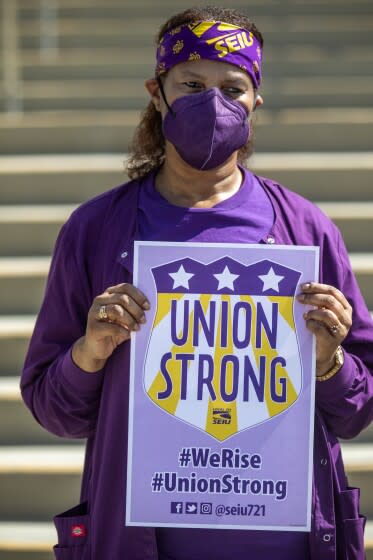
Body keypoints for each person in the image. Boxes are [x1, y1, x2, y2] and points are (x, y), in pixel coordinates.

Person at [21, 6, 373, 560]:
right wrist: (90, 352)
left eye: (233, 88)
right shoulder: (95, 230)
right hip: (140, 538)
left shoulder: (306, 228)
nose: (213, 103)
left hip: (284, 537)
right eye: (191, 83)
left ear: (256, 100)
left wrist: (328, 361)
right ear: (157, 93)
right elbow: (53, 409)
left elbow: (357, 408)